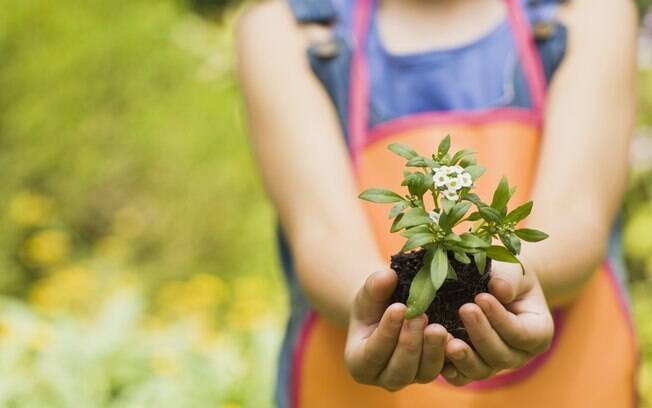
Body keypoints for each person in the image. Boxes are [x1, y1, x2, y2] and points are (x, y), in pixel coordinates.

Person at [236, 0, 638, 406]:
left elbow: (577, 216)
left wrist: (513, 276)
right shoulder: (293, 30)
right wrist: (384, 306)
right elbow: (321, 234)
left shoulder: (582, 12)